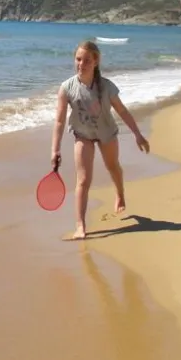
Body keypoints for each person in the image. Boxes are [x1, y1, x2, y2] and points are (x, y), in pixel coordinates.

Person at [50, 40, 150, 239]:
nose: (81, 64)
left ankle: (120, 194)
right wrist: (55, 149)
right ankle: (80, 225)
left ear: (96, 62)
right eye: (78, 59)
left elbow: (122, 110)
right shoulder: (67, 88)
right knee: (83, 180)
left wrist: (137, 134)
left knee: (112, 166)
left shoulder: (106, 87)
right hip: (83, 135)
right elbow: (60, 121)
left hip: (106, 133)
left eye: (87, 60)